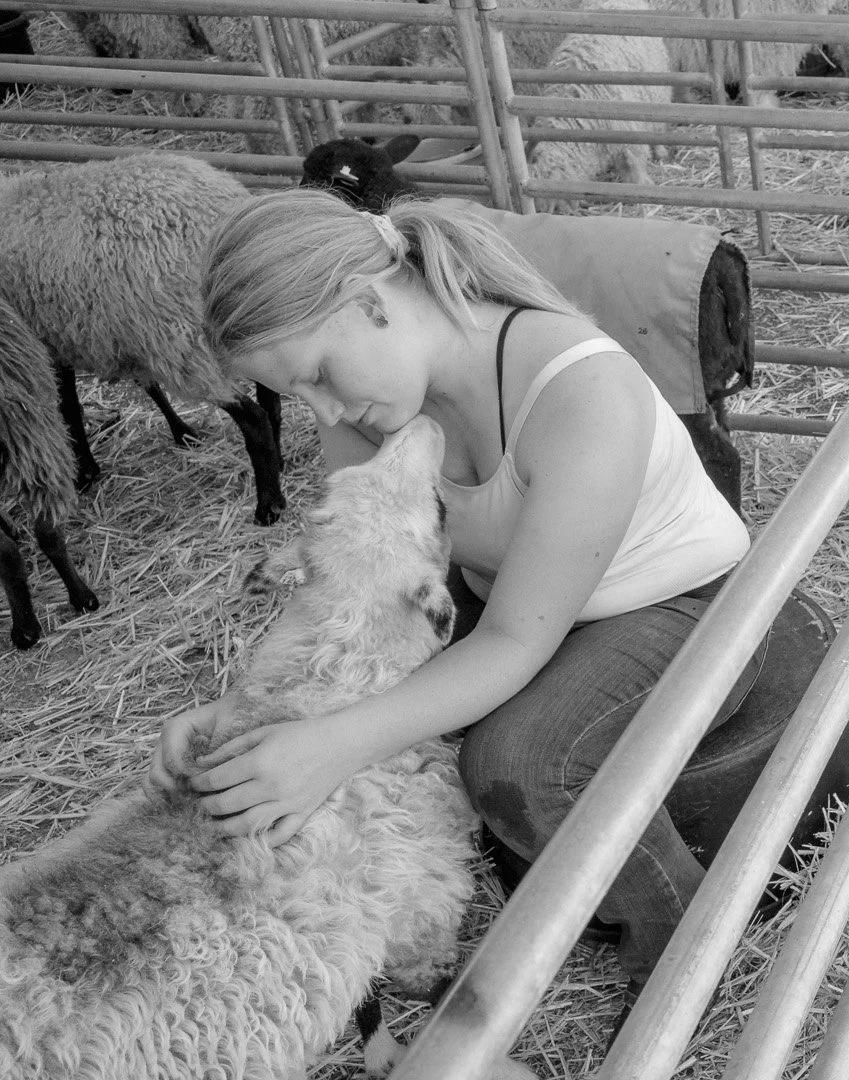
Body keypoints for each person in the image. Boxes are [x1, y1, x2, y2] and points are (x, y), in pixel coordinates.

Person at [150, 190, 759, 997]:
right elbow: (366, 584)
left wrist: (333, 743)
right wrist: (252, 709)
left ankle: (681, 946)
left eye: (319, 377)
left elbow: (512, 641)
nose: (323, 412)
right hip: (515, 597)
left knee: (516, 765)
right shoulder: (367, 400)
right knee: (339, 705)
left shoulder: (581, 393)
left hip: (673, 602)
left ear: (369, 303)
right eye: (302, 397)